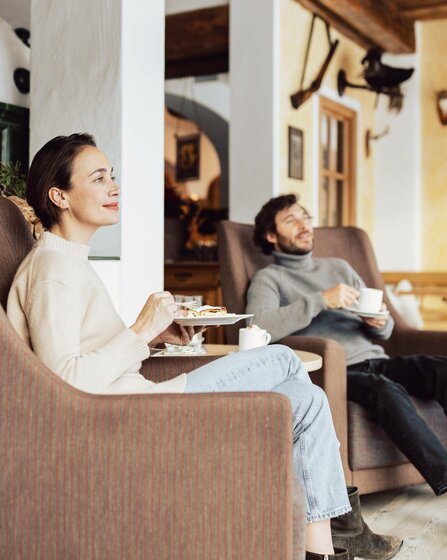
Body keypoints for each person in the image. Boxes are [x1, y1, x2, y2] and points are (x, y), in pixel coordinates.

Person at [7, 135, 353, 560]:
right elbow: (65, 382)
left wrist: (152, 338)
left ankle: (323, 553)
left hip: (138, 401)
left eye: (112, 177)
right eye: (99, 179)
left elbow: (92, 355)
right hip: (128, 416)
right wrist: (139, 328)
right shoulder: (52, 273)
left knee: (307, 398)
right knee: (283, 360)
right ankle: (336, 520)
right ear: (58, 195)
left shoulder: (71, 263)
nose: (114, 188)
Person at [248, 193, 447, 503]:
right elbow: (257, 329)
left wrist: (377, 321)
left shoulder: (339, 267)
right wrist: (320, 300)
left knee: (439, 369)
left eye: (305, 217)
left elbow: (387, 331)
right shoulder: (269, 279)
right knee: (385, 390)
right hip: (335, 372)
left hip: (375, 359)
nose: (304, 225)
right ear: (271, 236)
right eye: (291, 220)